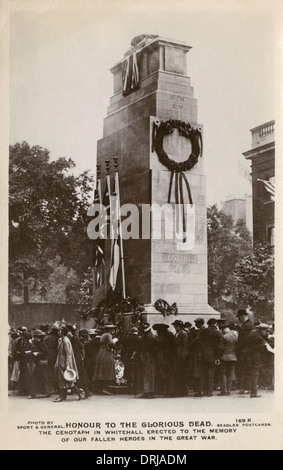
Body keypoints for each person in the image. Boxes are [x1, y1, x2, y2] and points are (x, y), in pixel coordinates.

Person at [53, 326, 81, 402]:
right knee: (65, 379)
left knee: (63, 379)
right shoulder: (61, 340)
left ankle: (61, 396)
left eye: (60, 331)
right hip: (60, 361)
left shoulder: (65, 341)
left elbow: (68, 354)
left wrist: (67, 365)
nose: (58, 332)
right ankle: (75, 393)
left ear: (63, 332)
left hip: (64, 361)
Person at [246, 323, 273, 398]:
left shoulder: (253, 333)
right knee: (255, 373)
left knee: (252, 373)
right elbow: (265, 347)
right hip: (254, 358)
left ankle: (252, 391)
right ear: (262, 330)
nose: (266, 333)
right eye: (266, 331)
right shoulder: (257, 337)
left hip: (249, 357)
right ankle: (253, 393)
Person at [152, 323, 178, 397]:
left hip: (169, 358)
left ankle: (171, 391)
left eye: (158, 331)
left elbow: (174, 345)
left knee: (169, 374)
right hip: (165, 357)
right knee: (165, 374)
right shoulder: (164, 335)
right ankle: (167, 390)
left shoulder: (169, 335)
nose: (158, 332)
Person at [199, 318, 222, 397]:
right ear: (215, 324)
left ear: (208, 324)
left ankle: (201, 391)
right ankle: (209, 392)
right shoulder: (217, 333)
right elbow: (219, 347)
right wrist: (217, 357)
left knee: (202, 373)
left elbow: (199, 342)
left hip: (203, 355)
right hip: (212, 356)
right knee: (210, 374)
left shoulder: (203, 331)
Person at [28, 329, 53, 399]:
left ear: (38, 337)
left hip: (41, 363)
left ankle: (33, 394)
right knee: (43, 377)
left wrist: (38, 353)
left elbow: (46, 352)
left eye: (35, 336)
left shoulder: (42, 343)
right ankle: (48, 392)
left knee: (35, 378)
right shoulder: (37, 343)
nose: (34, 338)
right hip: (39, 363)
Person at [93, 324, 117, 394]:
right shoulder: (108, 335)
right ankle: (105, 388)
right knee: (106, 369)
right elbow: (111, 343)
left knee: (101, 369)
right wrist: (115, 345)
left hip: (101, 353)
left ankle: (100, 387)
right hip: (106, 353)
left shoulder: (103, 334)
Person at [235, 308, 254, 394]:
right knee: (244, 369)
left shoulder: (246, 326)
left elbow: (246, 340)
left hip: (245, 351)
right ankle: (245, 388)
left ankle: (247, 388)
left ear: (242, 316)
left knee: (246, 369)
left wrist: (243, 350)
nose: (238, 319)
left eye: (239, 317)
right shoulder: (247, 324)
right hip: (246, 351)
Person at [138, 323, 157, 399]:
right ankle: (146, 391)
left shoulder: (151, 337)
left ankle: (149, 392)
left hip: (149, 356)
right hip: (145, 355)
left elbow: (154, 348)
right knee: (146, 374)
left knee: (149, 374)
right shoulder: (147, 337)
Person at [218, 322, 238, 396]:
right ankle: (229, 390)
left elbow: (220, 348)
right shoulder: (235, 336)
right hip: (233, 357)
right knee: (230, 374)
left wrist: (219, 356)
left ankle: (224, 390)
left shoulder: (224, 337)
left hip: (225, 357)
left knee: (223, 373)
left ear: (223, 329)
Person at [121, 326, 140, 394]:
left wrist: (122, 357)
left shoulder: (127, 338)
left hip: (128, 357)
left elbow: (123, 348)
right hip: (137, 358)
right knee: (136, 373)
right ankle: (136, 390)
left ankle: (129, 389)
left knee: (129, 372)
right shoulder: (139, 338)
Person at [171, 320, 189, 396]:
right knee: (178, 373)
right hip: (177, 355)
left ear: (180, 326)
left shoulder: (183, 333)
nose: (175, 327)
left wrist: (183, 355)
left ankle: (183, 390)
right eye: (175, 326)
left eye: (176, 326)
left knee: (182, 373)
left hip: (181, 355)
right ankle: (179, 390)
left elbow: (185, 345)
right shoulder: (177, 333)